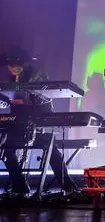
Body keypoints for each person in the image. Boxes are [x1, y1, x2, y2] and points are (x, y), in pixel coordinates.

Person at [0, 46, 79, 197]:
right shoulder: (11, 80)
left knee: (50, 149)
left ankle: (69, 186)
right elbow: (9, 98)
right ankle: (20, 188)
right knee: (8, 150)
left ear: (22, 63)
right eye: (9, 66)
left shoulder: (37, 75)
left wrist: (25, 101)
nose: (10, 68)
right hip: (17, 122)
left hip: (37, 121)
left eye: (13, 65)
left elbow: (44, 96)